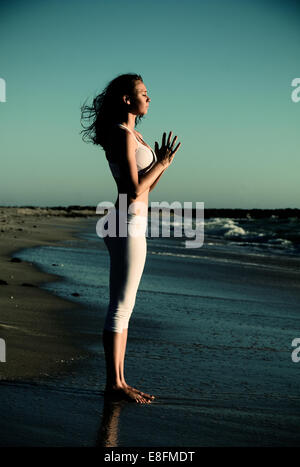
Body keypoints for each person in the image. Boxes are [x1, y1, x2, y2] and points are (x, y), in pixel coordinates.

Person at [81, 73, 181, 403]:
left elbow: (147, 187)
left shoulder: (136, 135)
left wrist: (162, 165)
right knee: (120, 307)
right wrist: (162, 162)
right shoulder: (121, 133)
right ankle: (115, 383)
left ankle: (120, 380)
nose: (149, 98)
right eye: (144, 93)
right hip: (126, 222)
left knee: (125, 306)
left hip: (129, 220)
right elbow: (131, 189)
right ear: (127, 99)